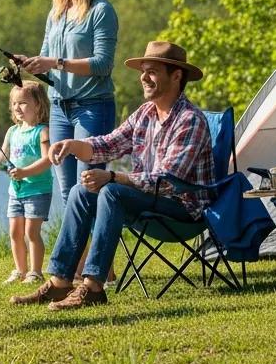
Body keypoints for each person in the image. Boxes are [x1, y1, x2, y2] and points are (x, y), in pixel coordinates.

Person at [11, 40, 213, 311]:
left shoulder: (190, 120)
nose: (143, 77)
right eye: (143, 71)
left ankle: (93, 286)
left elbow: (167, 179)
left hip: (182, 209)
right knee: (80, 191)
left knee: (111, 191)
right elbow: (108, 144)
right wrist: (72, 145)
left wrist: (114, 178)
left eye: (152, 71)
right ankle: (61, 282)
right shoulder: (145, 114)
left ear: (176, 76)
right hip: (147, 198)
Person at [17, 0, 118, 205]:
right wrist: (30, 63)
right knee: (67, 192)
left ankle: (98, 246)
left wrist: (56, 62)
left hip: (93, 109)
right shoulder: (56, 14)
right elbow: (46, 57)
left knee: (87, 190)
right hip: (60, 110)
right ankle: (78, 248)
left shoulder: (101, 11)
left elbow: (103, 64)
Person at [0, 82, 53, 284]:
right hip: (16, 191)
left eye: (23, 103)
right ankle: (19, 270)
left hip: (38, 190)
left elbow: (47, 159)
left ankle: (35, 272)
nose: (17, 107)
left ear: (38, 105)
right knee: (15, 232)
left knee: (32, 232)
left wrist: (25, 172)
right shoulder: (12, 131)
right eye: (14, 103)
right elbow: (3, 153)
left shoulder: (42, 131)